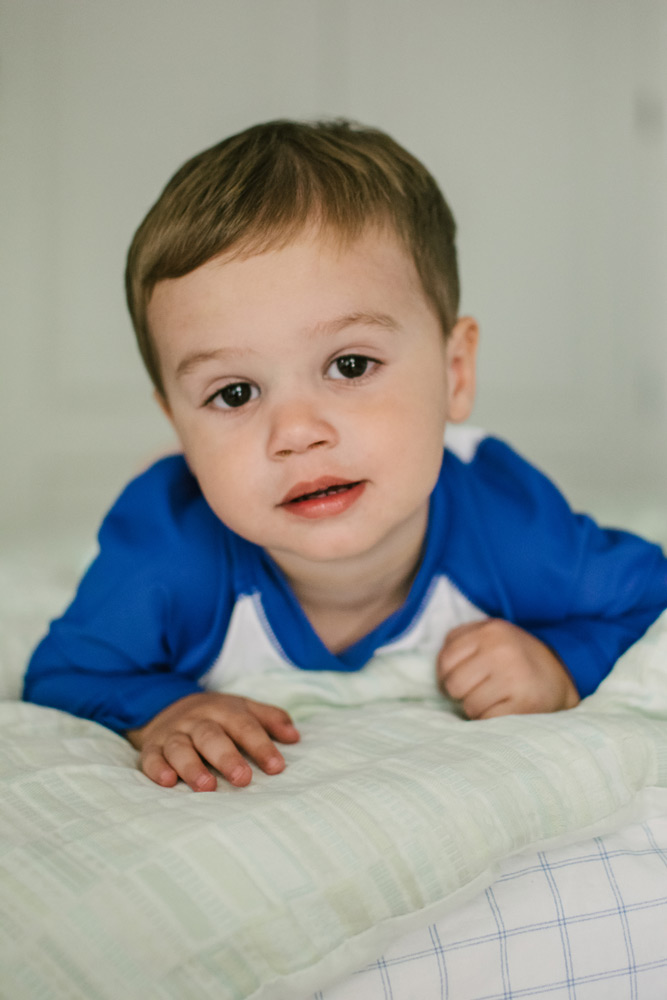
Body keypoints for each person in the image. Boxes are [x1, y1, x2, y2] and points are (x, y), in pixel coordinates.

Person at [24, 119, 667, 794]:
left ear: (453, 371)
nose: (297, 432)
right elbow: (64, 673)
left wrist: (561, 662)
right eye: (234, 392)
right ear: (178, 425)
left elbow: (650, 600)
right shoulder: (166, 554)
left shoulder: (512, 526)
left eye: (350, 364)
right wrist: (164, 709)